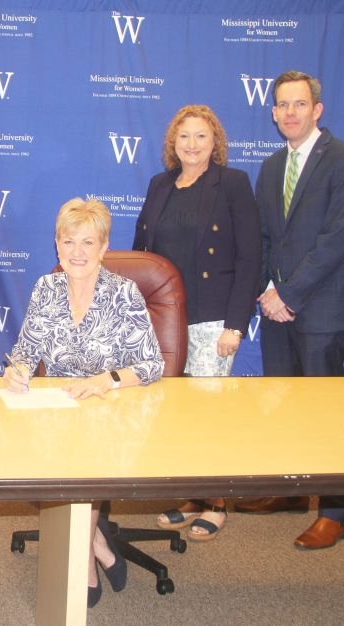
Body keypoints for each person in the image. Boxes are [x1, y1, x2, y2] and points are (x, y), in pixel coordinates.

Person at [3, 198, 164, 608]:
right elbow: (25, 350)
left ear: (103, 247)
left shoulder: (123, 293)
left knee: (86, 465)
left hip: (110, 410)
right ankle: (96, 542)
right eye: (68, 241)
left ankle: (85, 559)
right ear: (57, 245)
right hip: (59, 409)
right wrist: (17, 370)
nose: (77, 251)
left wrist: (105, 380)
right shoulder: (46, 288)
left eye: (88, 242)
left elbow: (152, 364)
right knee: (25, 459)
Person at [233, 70, 344, 550]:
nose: (290, 112)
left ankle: (335, 512)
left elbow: (336, 240)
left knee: (327, 414)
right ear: (273, 113)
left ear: (317, 110)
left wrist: (288, 295)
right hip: (276, 311)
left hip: (320, 310)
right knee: (284, 407)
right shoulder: (271, 167)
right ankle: (290, 493)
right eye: (282, 105)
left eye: (299, 104)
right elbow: (265, 238)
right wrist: (269, 292)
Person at [133, 104, 261, 542]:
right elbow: (142, 254)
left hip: (212, 319)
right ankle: (193, 494)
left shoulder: (233, 184)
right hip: (164, 320)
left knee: (208, 414)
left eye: (201, 136)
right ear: (173, 141)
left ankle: (216, 502)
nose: (191, 144)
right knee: (175, 413)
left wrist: (236, 325)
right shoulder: (160, 185)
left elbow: (250, 257)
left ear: (215, 142)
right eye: (184, 136)